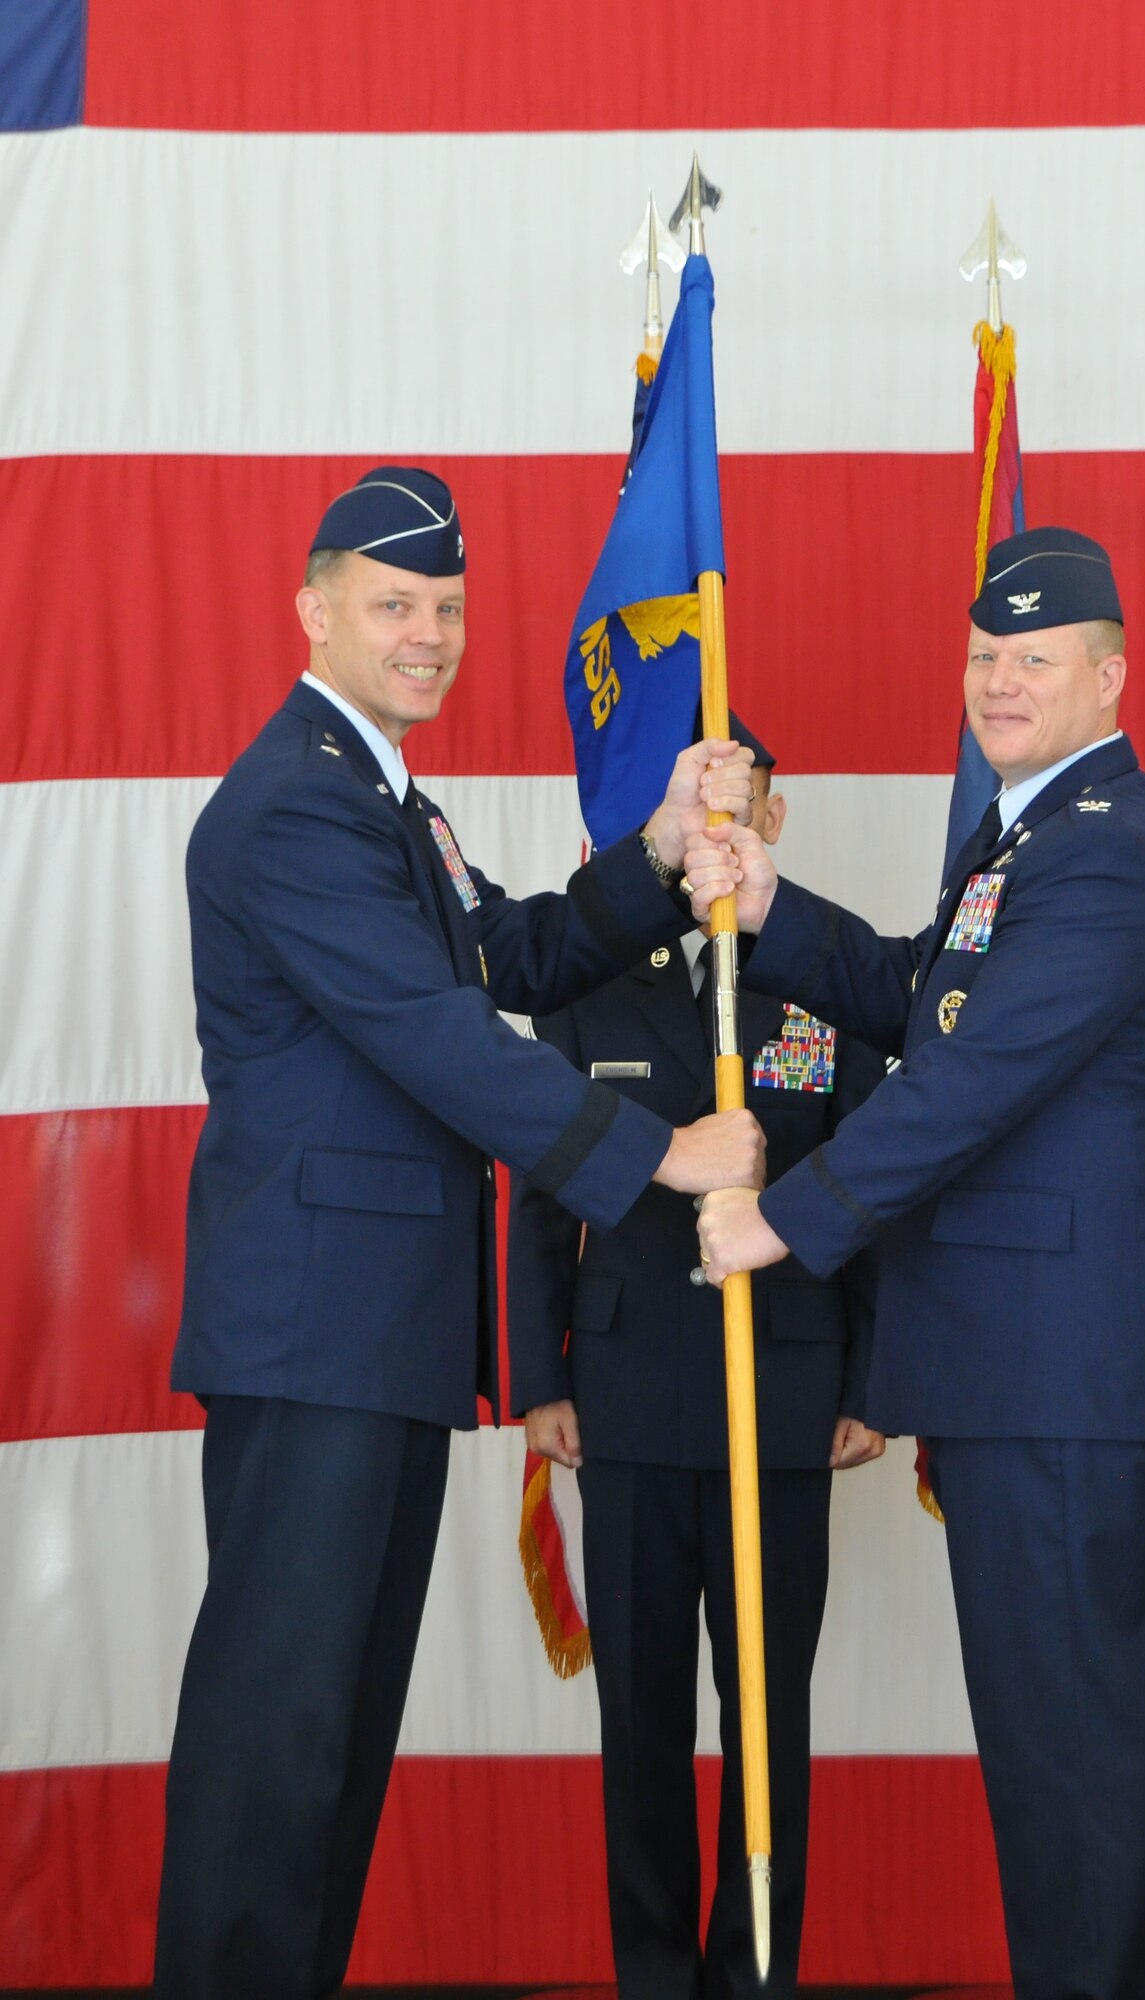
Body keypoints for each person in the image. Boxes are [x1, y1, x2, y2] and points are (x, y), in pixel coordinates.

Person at [153, 465, 765, 2000]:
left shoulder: (383, 802)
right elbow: (442, 1036)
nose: (427, 637)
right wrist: (662, 1156)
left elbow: (519, 949)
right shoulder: (296, 805)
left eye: (446, 612)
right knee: (276, 1746)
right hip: (317, 1338)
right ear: (314, 610)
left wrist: (658, 853)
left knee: (337, 1747)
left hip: (378, 1340)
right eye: (394, 606)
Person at [687, 527, 1145, 2000]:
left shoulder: (1107, 857)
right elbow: (915, 998)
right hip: (1024, 1373)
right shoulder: (1032, 838)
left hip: (1066, 1377)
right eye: (986, 656)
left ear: (1110, 679)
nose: (999, 682)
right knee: (1050, 1767)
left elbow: (969, 1083)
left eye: (1034, 661)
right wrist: (767, 903)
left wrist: (783, 1221)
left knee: (1075, 1771)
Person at [509, 715, 886, 1998]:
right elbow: (543, 1193)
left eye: (744, 804)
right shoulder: (588, 984)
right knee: (644, 1722)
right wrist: (541, 1374)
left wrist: (874, 1382)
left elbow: (874, 1179)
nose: (721, 831)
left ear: (772, 824)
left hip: (783, 1397)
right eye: (698, 808)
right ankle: (656, 1974)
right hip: (620, 1396)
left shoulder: (826, 983)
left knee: (768, 1718)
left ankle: (757, 1976)